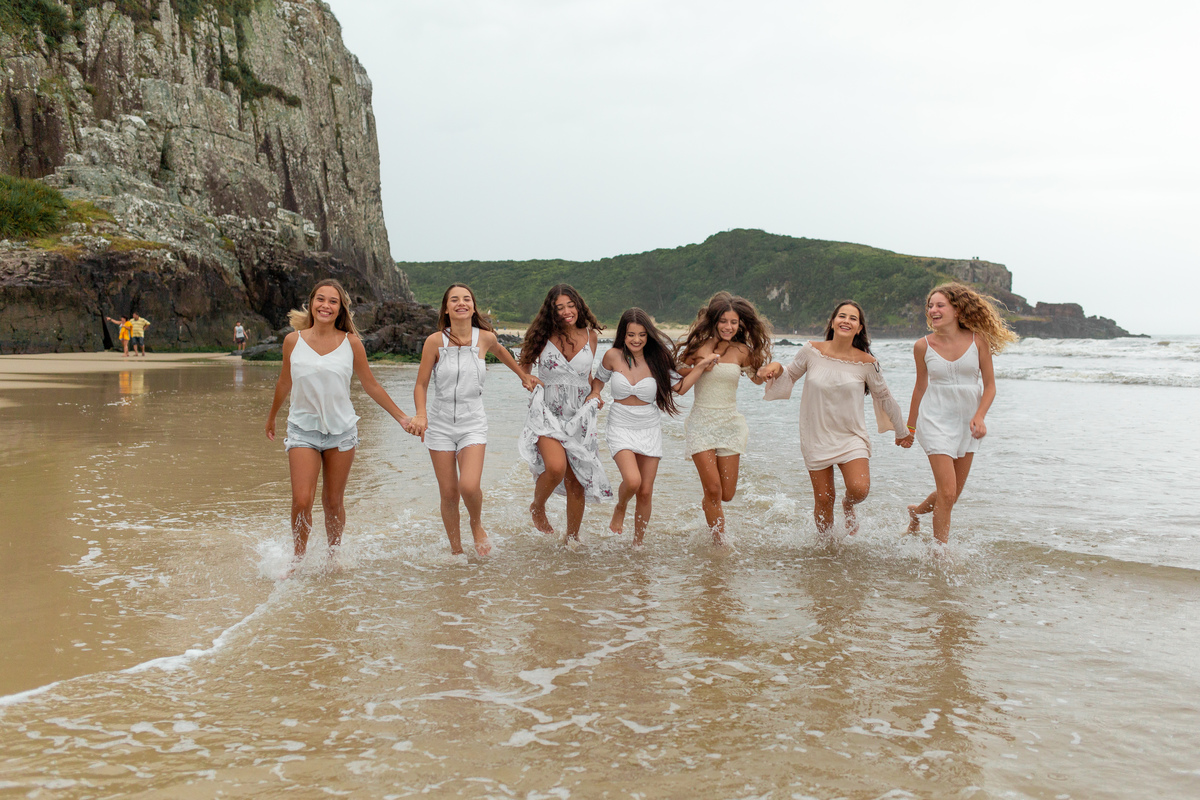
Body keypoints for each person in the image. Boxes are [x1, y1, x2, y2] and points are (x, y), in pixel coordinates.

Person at [265, 279, 416, 571]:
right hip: (302, 431)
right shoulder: (292, 341)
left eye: (333, 301)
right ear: (311, 303)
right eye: (320, 299)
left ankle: (334, 557)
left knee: (333, 502)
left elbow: (370, 385)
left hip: (342, 433)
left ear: (340, 308)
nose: (325, 305)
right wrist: (272, 416)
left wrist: (401, 417)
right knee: (302, 499)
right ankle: (298, 557)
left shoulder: (351, 344)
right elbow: (285, 381)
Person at [759, 300, 913, 536]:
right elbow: (789, 374)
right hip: (816, 434)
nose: (846, 321)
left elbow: (884, 398)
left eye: (853, 318)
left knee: (859, 489)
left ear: (859, 328)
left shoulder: (868, 363)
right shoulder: (811, 350)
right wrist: (776, 366)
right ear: (832, 322)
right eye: (842, 316)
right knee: (823, 499)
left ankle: (848, 504)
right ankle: (826, 548)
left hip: (850, 435)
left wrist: (902, 431)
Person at [410, 283, 541, 558]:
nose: (461, 303)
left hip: (472, 423)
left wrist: (523, 376)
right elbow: (421, 384)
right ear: (446, 308)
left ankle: (476, 522)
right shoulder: (435, 341)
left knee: (469, 486)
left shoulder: (485, 338)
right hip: (440, 424)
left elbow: (504, 353)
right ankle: (456, 552)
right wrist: (421, 414)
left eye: (466, 299)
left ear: (473, 306)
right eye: (454, 300)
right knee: (448, 493)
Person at [585, 308, 718, 547]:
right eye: (631, 335)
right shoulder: (612, 356)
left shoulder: (659, 360)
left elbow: (680, 387)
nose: (636, 340)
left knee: (645, 491)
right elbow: (599, 380)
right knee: (633, 481)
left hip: (649, 426)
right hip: (620, 424)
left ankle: (638, 545)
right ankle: (621, 506)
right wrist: (595, 393)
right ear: (623, 335)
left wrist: (700, 367)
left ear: (649, 336)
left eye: (642, 335)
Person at [905, 283, 1017, 543]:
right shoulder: (922, 346)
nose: (933, 310)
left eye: (940, 305)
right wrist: (909, 428)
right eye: (930, 305)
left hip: (967, 423)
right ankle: (939, 554)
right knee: (947, 491)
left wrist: (980, 416)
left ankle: (916, 513)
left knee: (952, 493)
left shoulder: (979, 341)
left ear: (957, 310)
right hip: (935, 420)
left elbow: (990, 386)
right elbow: (920, 387)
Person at [518, 284, 613, 543]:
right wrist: (528, 380)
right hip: (547, 412)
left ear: (579, 306)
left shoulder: (590, 336)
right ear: (552, 311)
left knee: (577, 481)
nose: (566, 311)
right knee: (556, 467)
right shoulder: (542, 334)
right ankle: (538, 506)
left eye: (570, 305)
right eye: (559, 308)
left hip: (579, 416)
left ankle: (572, 540)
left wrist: (595, 393)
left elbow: (588, 376)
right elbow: (523, 368)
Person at [675, 292, 772, 545]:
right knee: (715, 490)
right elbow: (676, 370)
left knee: (726, 494)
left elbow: (757, 377)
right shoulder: (697, 348)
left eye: (734, 322)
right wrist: (699, 367)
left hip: (730, 423)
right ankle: (719, 542)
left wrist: (774, 370)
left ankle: (709, 504)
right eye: (724, 321)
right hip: (701, 423)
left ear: (741, 324)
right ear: (714, 321)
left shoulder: (742, 351)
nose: (729, 327)